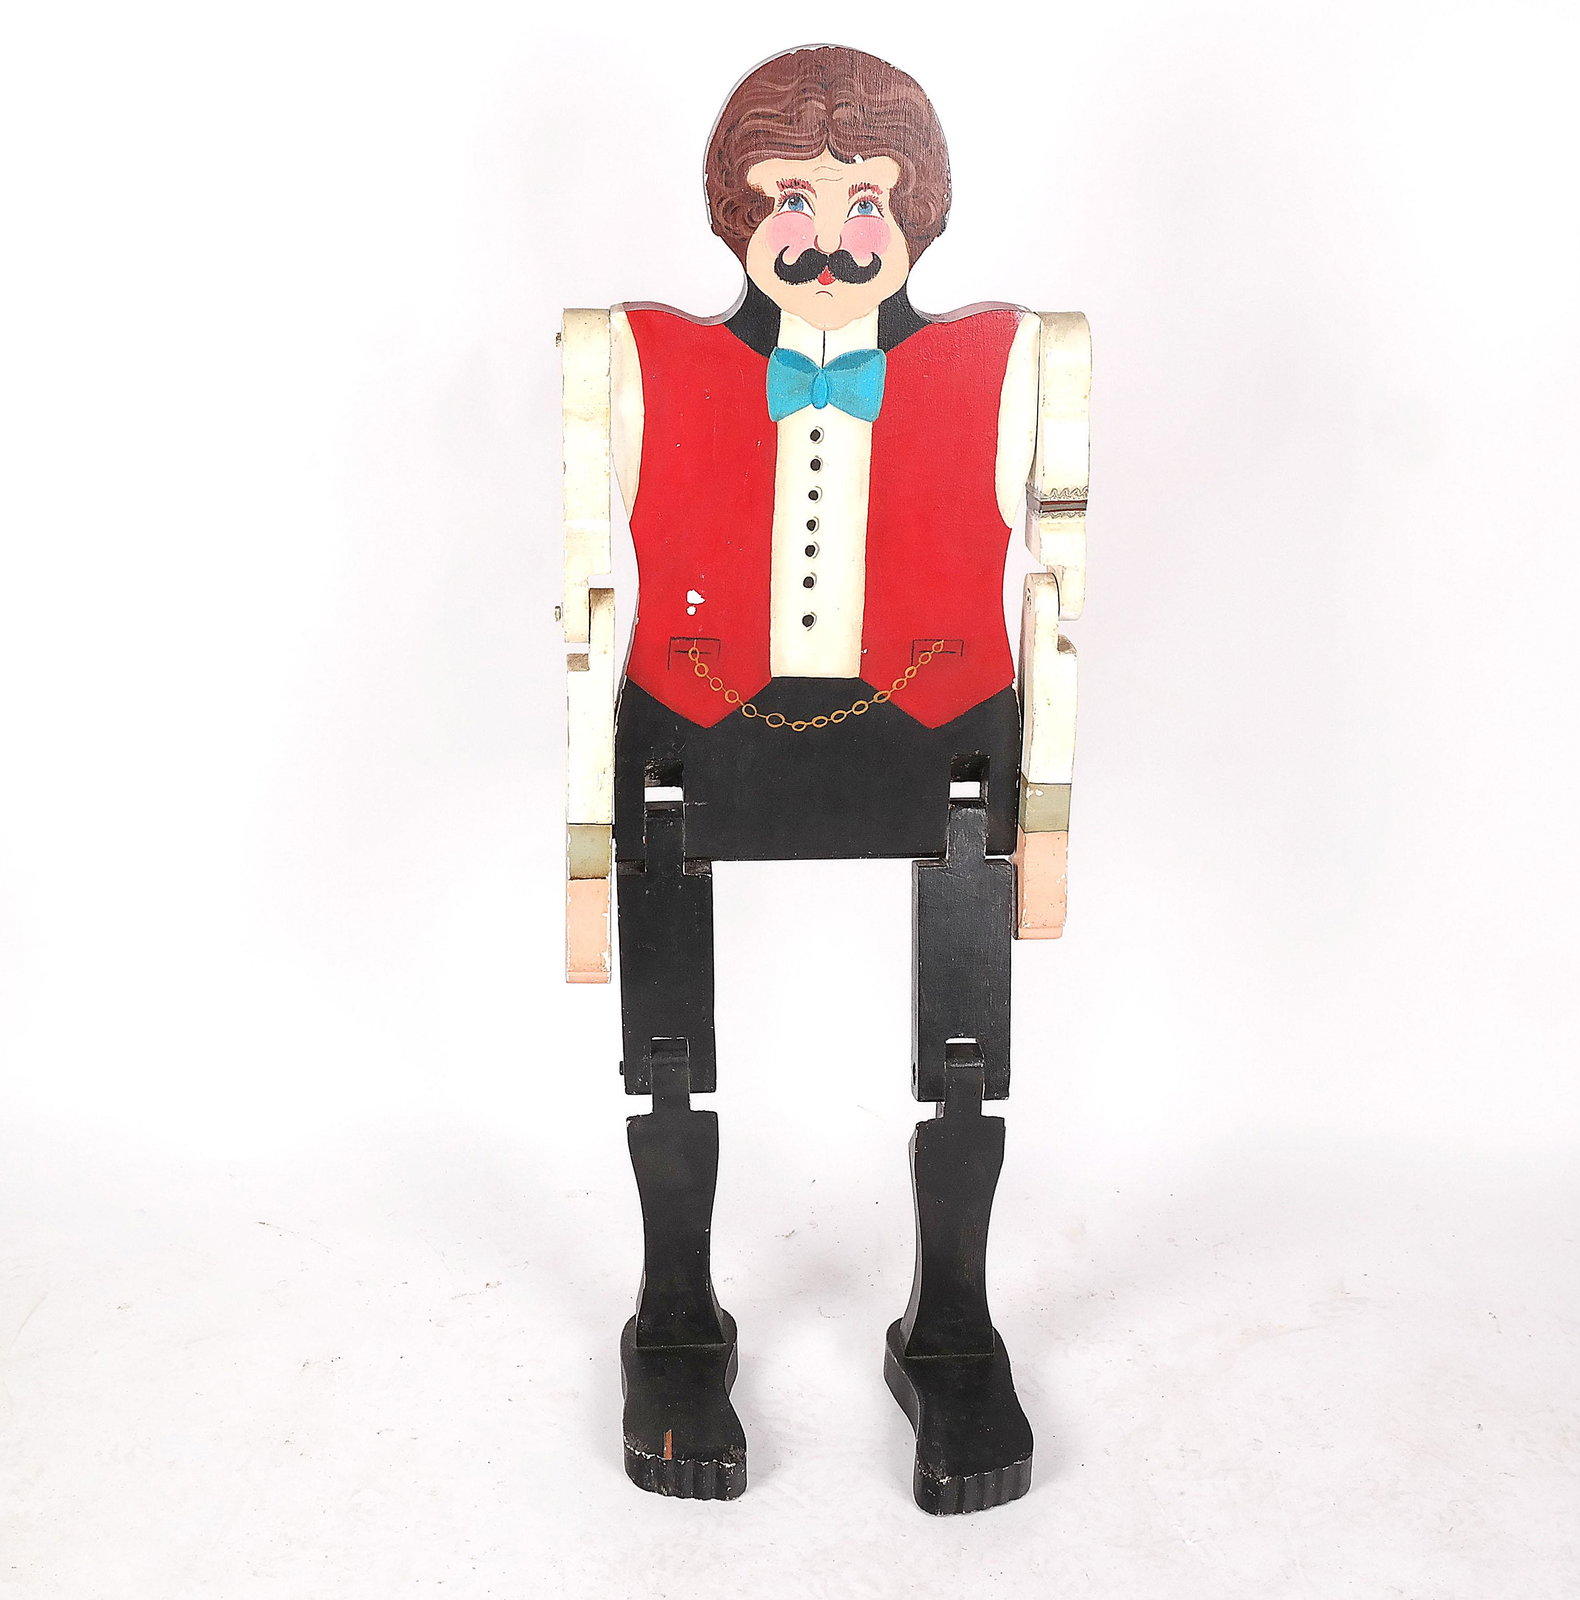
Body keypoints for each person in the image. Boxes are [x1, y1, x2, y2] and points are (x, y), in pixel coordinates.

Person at [560, 43, 1088, 1513]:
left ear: (919, 211)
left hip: (944, 730)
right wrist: (584, 851)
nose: (833, 234)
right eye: (793, 194)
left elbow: (1057, 586)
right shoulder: (637, 359)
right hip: (693, 726)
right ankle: (677, 1315)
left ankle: (952, 1324)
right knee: (669, 1054)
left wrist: (1049, 816)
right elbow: (585, 600)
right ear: (738, 211)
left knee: (966, 1062)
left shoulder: (1010, 362)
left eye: (866, 197)